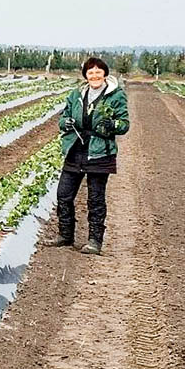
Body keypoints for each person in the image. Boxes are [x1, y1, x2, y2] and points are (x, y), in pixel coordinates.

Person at [53, 57, 130, 255]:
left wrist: (111, 126)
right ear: (85, 75)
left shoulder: (116, 95)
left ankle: (95, 241)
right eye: (90, 72)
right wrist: (66, 123)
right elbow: (63, 118)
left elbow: (124, 124)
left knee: (95, 198)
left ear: (105, 74)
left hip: (99, 151)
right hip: (76, 148)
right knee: (64, 194)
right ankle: (65, 235)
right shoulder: (76, 94)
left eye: (98, 71)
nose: (94, 75)